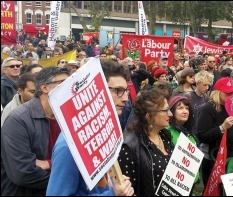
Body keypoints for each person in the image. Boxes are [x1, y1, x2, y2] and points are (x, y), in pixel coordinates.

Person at [46, 61, 134, 196]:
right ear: (97, 89)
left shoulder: (106, 128)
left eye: (126, 91)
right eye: (118, 91)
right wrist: (112, 194)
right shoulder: (68, 145)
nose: (126, 99)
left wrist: (118, 186)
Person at [1, 67, 70, 196]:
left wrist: (49, 163)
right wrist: (66, 179)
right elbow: (22, 173)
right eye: (63, 83)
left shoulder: (71, 116)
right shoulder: (18, 119)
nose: (71, 88)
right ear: (45, 88)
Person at [118, 86, 174, 195]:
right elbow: (128, 191)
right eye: (166, 110)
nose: (170, 114)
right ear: (149, 116)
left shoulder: (165, 136)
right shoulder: (130, 148)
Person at [166, 96, 199, 195]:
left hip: (190, 183)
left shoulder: (189, 132)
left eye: (187, 108)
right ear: (172, 111)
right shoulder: (166, 132)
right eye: (180, 108)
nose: (185, 111)